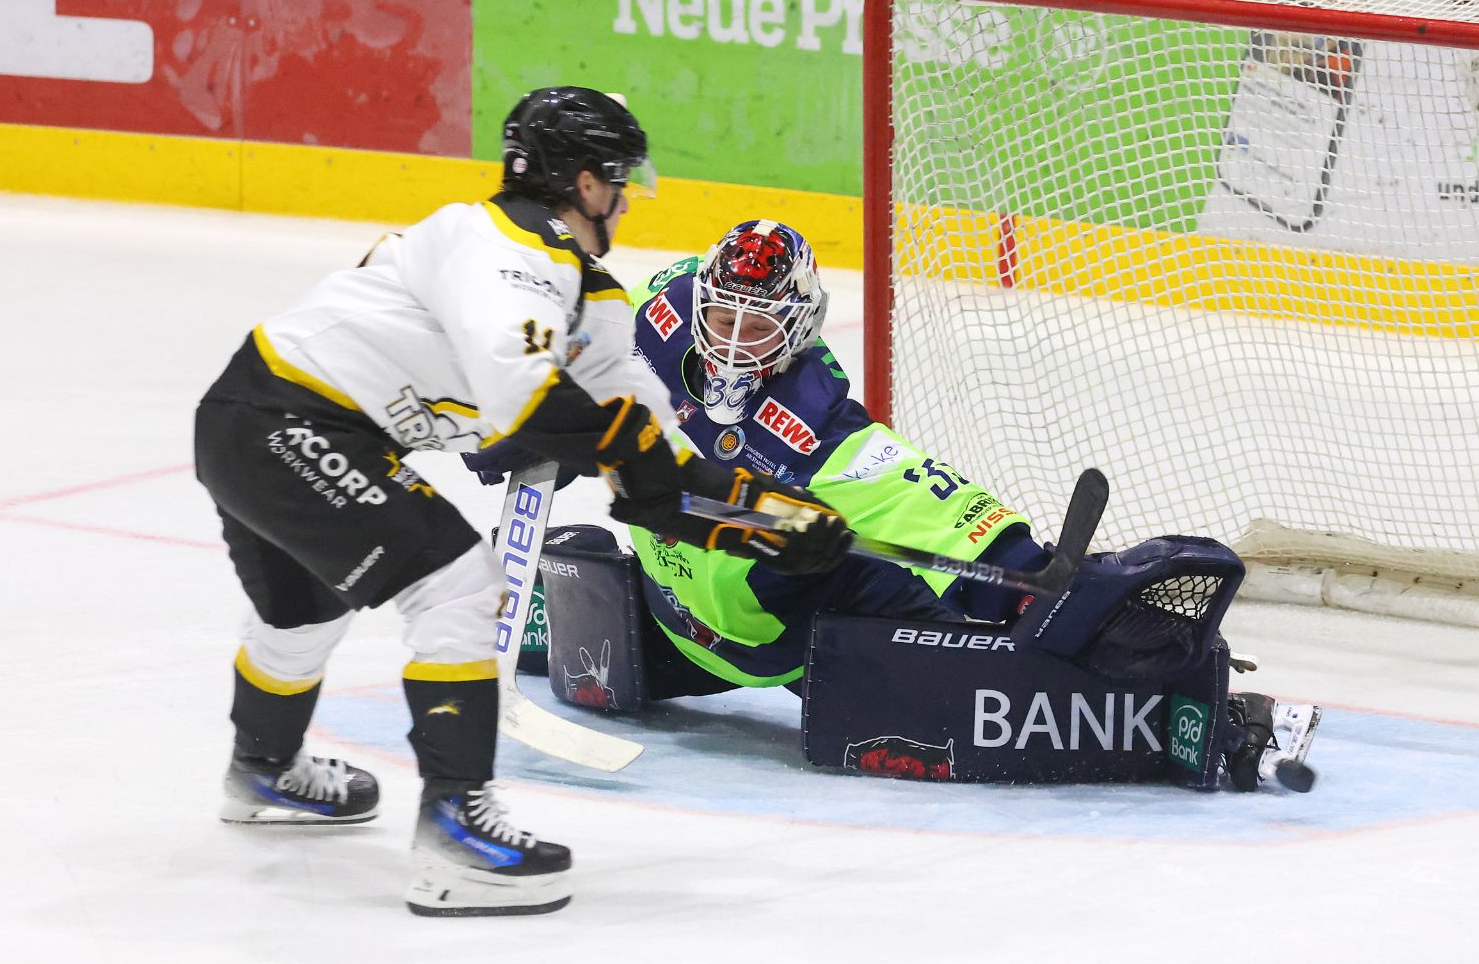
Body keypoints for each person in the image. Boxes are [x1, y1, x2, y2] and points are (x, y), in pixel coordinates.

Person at [193, 89, 851, 918]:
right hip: (283, 419)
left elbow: (660, 466)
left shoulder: (590, 296)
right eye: (619, 180)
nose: (626, 199)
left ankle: (263, 769)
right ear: (585, 183)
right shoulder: (497, 244)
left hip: (265, 426)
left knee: (304, 608)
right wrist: (623, 451)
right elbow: (528, 399)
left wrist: (771, 519)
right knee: (462, 588)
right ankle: (455, 838)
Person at [473, 220, 1321, 791]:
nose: (730, 341)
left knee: (980, 658)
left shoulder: (824, 432)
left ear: (798, 327)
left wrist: (1044, 581)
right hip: (682, 628)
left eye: (756, 327)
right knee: (587, 560)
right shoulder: (660, 318)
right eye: (720, 316)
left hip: (775, 645)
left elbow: (941, 506)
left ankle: (1209, 712)